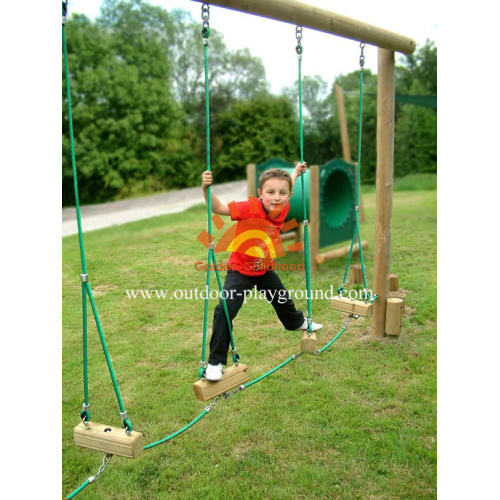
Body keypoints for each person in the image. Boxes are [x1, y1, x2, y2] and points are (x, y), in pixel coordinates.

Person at [201, 163, 323, 381]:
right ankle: (215, 362)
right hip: (240, 270)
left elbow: (289, 182)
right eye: (271, 192)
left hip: (264, 269)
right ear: (260, 193)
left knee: (282, 299)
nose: (277, 197)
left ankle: (297, 323)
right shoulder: (248, 207)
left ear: (289, 195)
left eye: (282, 193)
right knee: (225, 310)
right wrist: (205, 189)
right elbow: (218, 208)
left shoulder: (283, 206)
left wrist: (295, 171)